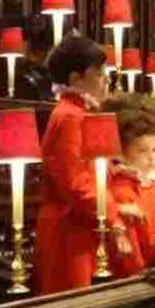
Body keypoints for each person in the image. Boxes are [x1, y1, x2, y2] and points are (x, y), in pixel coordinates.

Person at [34, 34, 133, 294]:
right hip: (69, 231)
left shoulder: (79, 112)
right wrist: (114, 218)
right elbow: (74, 182)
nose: (105, 79)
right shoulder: (69, 116)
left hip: (80, 224)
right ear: (76, 78)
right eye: (98, 72)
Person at [103, 95, 155, 278]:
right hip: (143, 273)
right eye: (142, 151)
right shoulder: (122, 188)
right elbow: (130, 249)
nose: (152, 157)